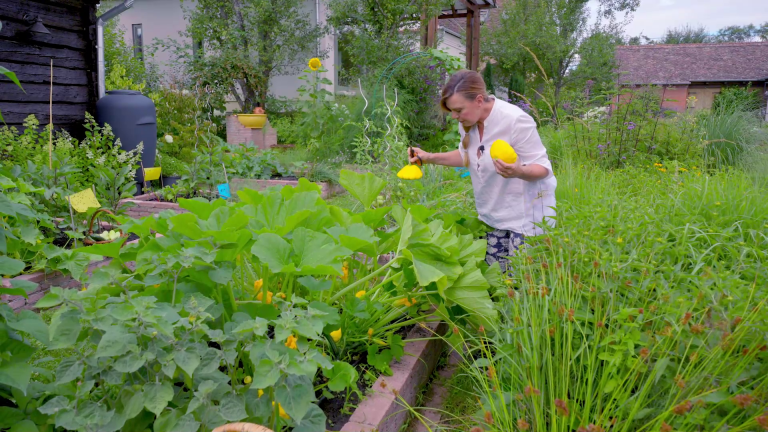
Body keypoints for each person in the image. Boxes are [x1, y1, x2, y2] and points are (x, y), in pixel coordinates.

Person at [408, 70, 557, 273]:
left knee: (521, 285)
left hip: (526, 217)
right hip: (494, 213)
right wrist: (429, 157)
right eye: (452, 111)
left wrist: (517, 171)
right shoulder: (468, 122)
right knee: (496, 280)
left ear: (479, 100)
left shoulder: (514, 120)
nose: (454, 116)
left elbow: (543, 169)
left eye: (459, 110)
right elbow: (467, 156)